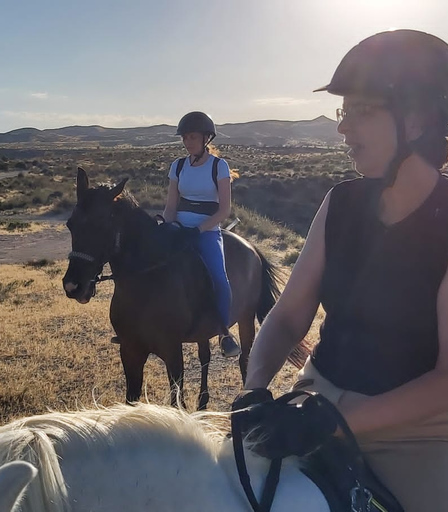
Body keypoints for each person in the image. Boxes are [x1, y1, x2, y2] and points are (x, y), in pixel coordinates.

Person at [234, 29, 448, 512]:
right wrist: (255, 389)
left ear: (415, 121)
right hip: (315, 398)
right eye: (342, 112)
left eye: (361, 112)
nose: (342, 130)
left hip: (413, 436)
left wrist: (333, 421)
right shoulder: (340, 203)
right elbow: (289, 317)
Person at [162, 111, 241, 358]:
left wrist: (198, 230)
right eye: (184, 137)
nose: (187, 142)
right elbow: (171, 206)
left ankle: (224, 332)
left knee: (219, 276)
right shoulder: (178, 166)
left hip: (206, 231)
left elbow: (224, 210)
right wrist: (166, 225)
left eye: (192, 137)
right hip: (179, 229)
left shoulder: (219, 166)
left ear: (206, 138)